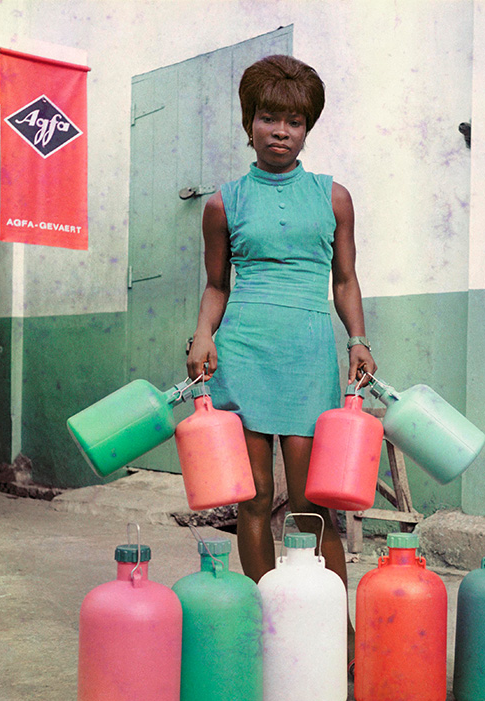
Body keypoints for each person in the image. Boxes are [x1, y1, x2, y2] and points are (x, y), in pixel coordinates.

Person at [186, 54, 376, 652]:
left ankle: (337, 635)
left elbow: (344, 279)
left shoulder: (333, 197)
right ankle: (265, 629)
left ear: (307, 128)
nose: (280, 132)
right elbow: (217, 285)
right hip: (243, 354)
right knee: (253, 499)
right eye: (269, 118)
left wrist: (359, 338)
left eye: (294, 122)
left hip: (308, 357)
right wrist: (203, 335)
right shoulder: (223, 204)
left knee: (314, 505)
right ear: (249, 123)